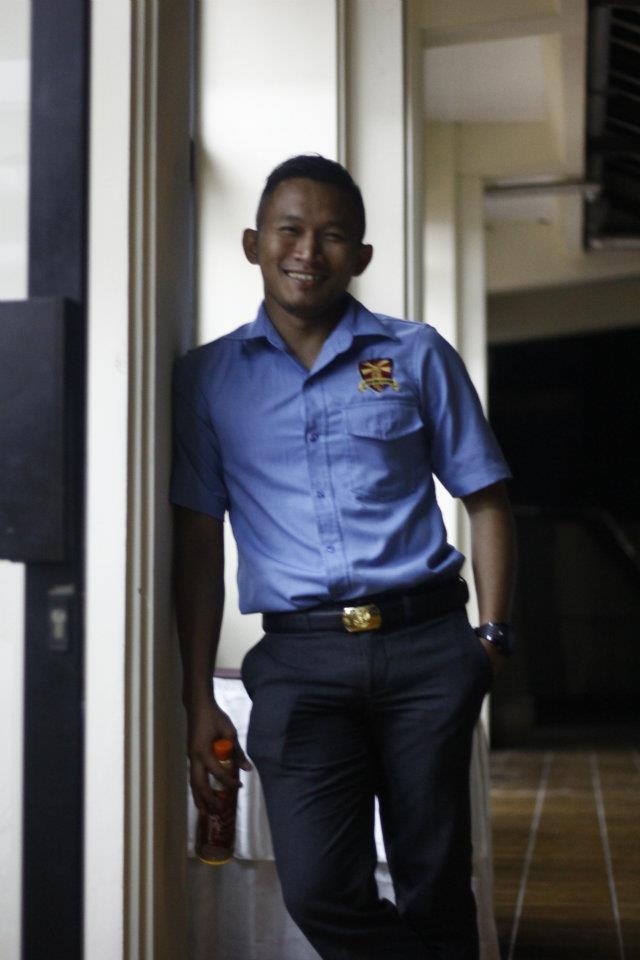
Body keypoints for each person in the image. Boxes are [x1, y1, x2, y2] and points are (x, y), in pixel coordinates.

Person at [171, 154, 516, 960]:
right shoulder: (207, 379)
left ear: (360, 255)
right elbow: (197, 544)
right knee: (319, 889)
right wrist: (196, 697)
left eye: (331, 236)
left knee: (436, 883)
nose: (308, 251)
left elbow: (487, 498)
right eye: (289, 230)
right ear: (254, 242)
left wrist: (491, 640)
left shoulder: (416, 355)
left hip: (427, 649)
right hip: (300, 663)